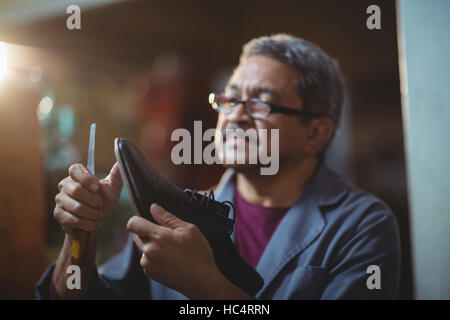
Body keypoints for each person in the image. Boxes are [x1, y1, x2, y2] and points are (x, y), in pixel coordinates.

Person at [36, 34, 401, 299]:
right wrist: (81, 233)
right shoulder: (174, 212)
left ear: (315, 134)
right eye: (230, 98)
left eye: (261, 104)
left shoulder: (363, 225)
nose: (236, 117)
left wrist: (209, 289)